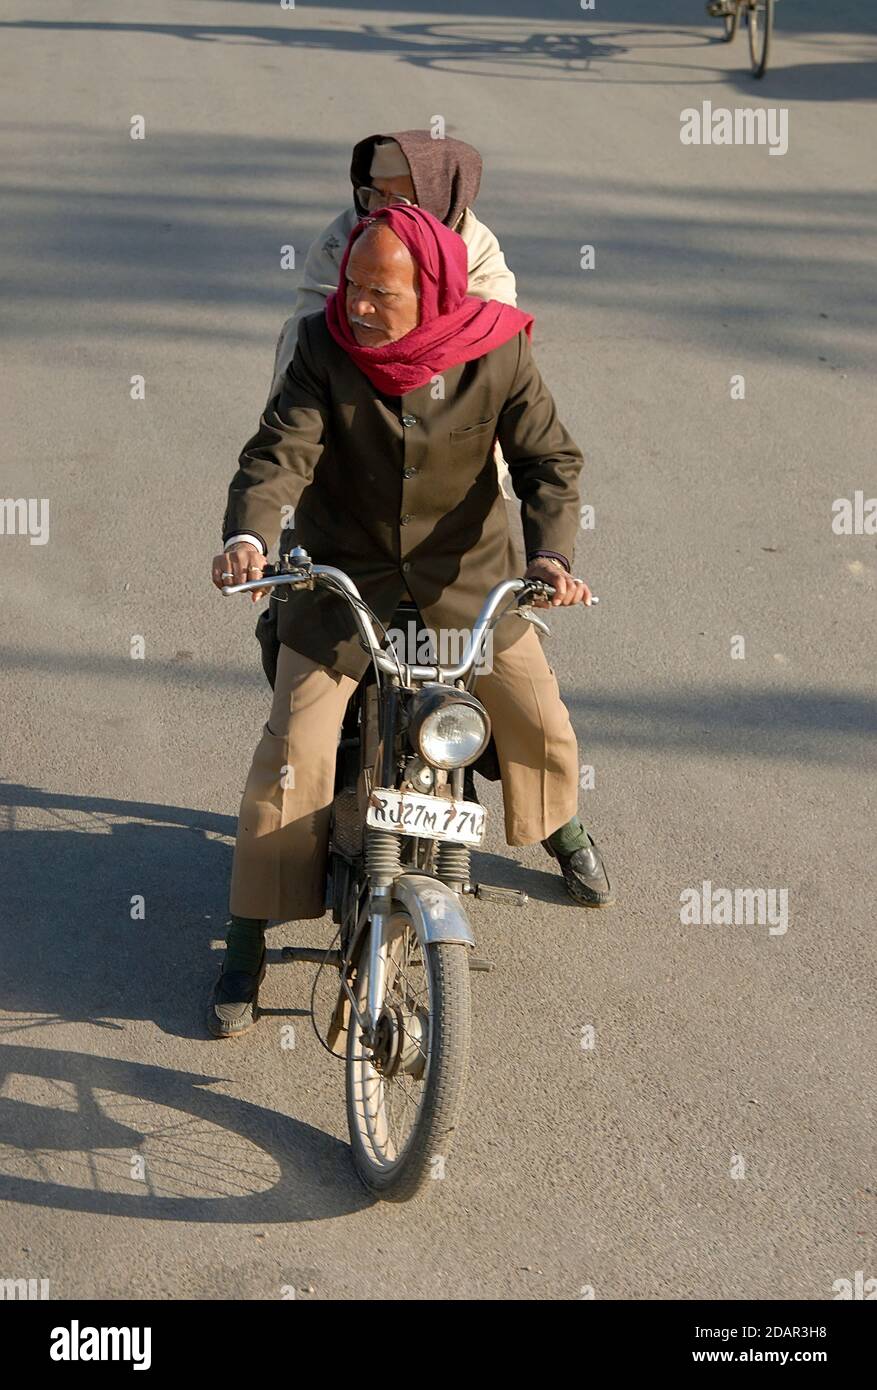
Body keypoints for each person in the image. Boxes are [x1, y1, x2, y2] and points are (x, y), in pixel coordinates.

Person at [209, 205, 614, 1040]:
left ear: (434, 289)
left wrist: (552, 560)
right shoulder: (324, 347)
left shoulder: (496, 347)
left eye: (378, 293)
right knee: (292, 757)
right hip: (339, 582)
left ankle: (560, 828)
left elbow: (548, 461)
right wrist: (251, 537)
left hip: (467, 577)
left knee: (536, 716)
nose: (355, 305)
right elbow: (279, 451)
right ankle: (245, 940)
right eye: (351, 285)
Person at [268, 129, 516, 399]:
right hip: (351, 389)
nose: (383, 209)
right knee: (303, 335)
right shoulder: (341, 237)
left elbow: (491, 332)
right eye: (376, 193)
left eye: (400, 199)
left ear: (439, 199)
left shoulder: (475, 246)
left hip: (446, 398)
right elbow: (311, 325)